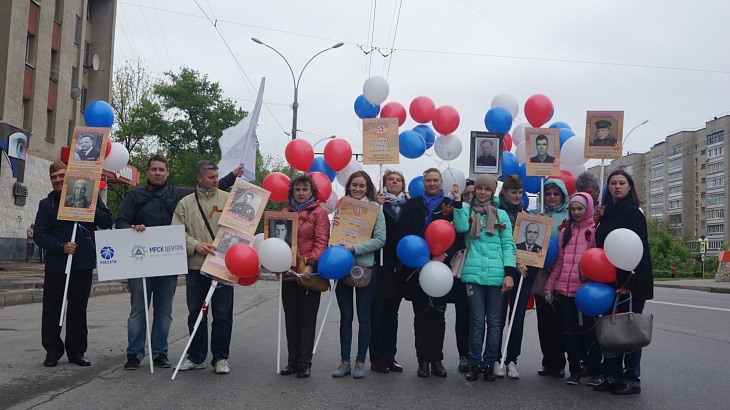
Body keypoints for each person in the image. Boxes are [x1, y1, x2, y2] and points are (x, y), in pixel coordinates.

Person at [116, 154, 240, 370]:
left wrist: (232, 176)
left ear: (168, 172)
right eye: (154, 169)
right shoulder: (136, 195)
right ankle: (135, 354)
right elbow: (122, 222)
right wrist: (133, 229)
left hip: (176, 263)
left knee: (166, 311)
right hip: (143, 261)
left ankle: (161, 353)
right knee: (139, 310)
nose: (157, 173)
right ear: (147, 171)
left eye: (161, 170)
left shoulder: (178, 194)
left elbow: (212, 189)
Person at [34, 161, 113, 367]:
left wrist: (90, 207)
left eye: (61, 175)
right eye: (54, 177)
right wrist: (61, 247)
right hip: (57, 265)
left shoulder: (90, 197)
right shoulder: (46, 204)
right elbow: (39, 235)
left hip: (82, 263)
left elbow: (106, 221)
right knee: (52, 309)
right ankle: (52, 351)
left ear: (69, 176)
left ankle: (76, 351)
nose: (58, 180)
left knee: (78, 309)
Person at [593, 169, 653, 395]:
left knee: (629, 331)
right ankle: (612, 375)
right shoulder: (607, 213)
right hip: (609, 281)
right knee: (611, 330)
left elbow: (636, 250)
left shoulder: (632, 212)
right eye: (613, 183)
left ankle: (631, 379)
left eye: (622, 183)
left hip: (630, 282)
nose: (617, 187)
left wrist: (627, 282)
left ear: (629, 187)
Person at [171, 160, 234, 375]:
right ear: (199, 178)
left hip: (223, 267)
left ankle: (221, 358)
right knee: (196, 314)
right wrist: (195, 245)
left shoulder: (229, 200)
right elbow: (176, 232)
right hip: (196, 267)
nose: (216, 180)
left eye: (217, 176)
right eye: (211, 177)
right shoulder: (185, 203)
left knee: (223, 315)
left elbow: (241, 230)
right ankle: (196, 357)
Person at [399, 168, 463, 378]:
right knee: (420, 317)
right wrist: (419, 257)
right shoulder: (412, 205)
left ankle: (437, 360)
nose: (432, 183)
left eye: (436, 180)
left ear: (441, 182)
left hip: (440, 270)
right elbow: (404, 233)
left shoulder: (450, 204)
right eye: (428, 180)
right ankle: (423, 361)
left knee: (438, 316)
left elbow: (458, 235)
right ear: (423, 182)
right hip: (417, 267)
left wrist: (443, 255)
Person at [453, 174, 517, 382]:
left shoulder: (501, 215)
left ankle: (489, 363)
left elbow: (508, 245)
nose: (482, 192)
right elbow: (461, 227)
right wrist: (457, 202)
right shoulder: (466, 210)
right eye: (479, 188)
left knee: (495, 321)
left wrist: (509, 274)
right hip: (473, 273)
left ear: (492, 192)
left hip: (497, 274)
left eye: (487, 189)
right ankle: (475, 363)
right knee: (477, 320)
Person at [545, 192, 603, 386]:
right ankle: (575, 369)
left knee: (590, 331)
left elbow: (598, 260)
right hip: (565, 289)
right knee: (569, 331)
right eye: (573, 209)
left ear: (588, 209)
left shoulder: (595, 231)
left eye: (580, 209)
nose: (576, 212)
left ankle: (595, 369)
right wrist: (550, 286)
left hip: (587, 291)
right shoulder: (565, 231)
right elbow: (560, 261)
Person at [332, 171, 386, 379]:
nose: (357, 189)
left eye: (362, 186)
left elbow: (380, 239)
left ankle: (360, 361)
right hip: (342, 268)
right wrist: (335, 227)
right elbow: (335, 238)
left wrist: (355, 248)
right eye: (354, 185)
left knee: (364, 317)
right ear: (348, 186)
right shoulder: (342, 207)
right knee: (346, 317)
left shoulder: (375, 210)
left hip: (365, 268)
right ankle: (344, 361)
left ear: (368, 188)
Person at [279, 174, 330, 378]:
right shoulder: (284, 212)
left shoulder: (319, 213)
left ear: (312, 192)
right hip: (288, 271)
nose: (300, 193)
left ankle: (304, 362)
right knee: (291, 319)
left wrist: (310, 265)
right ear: (292, 192)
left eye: (304, 189)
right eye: (297, 189)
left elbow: (321, 241)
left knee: (307, 318)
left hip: (309, 273)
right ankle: (292, 361)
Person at [369, 170, 408, 374]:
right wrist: (376, 206)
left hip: (399, 266)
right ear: (384, 184)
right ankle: (377, 358)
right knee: (377, 313)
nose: (394, 182)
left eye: (398, 180)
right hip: (379, 263)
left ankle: (390, 356)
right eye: (390, 179)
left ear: (403, 184)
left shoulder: (408, 206)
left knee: (392, 315)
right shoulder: (376, 205)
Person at [532, 179, 570, 378]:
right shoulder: (536, 214)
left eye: (556, 193)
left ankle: (560, 362)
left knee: (560, 319)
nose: (552, 197)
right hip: (541, 273)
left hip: (562, 273)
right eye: (548, 194)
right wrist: (535, 221)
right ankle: (547, 361)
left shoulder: (570, 216)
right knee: (544, 319)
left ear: (563, 195)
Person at [496, 174, 531, 379]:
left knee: (517, 318)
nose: (517, 196)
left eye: (520, 192)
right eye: (513, 192)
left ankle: (512, 360)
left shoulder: (525, 214)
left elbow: (531, 245)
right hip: (503, 269)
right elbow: (498, 243)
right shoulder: (496, 212)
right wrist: (515, 261)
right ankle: (495, 357)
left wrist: (539, 223)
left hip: (524, 271)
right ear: (504, 192)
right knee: (498, 317)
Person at [447, 178, 473, 373]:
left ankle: (481, 356)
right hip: (462, 268)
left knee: (480, 317)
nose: (471, 197)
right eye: (467, 194)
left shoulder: (492, 212)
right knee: (463, 314)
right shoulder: (457, 212)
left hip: (485, 269)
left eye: (474, 193)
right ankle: (464, 355)